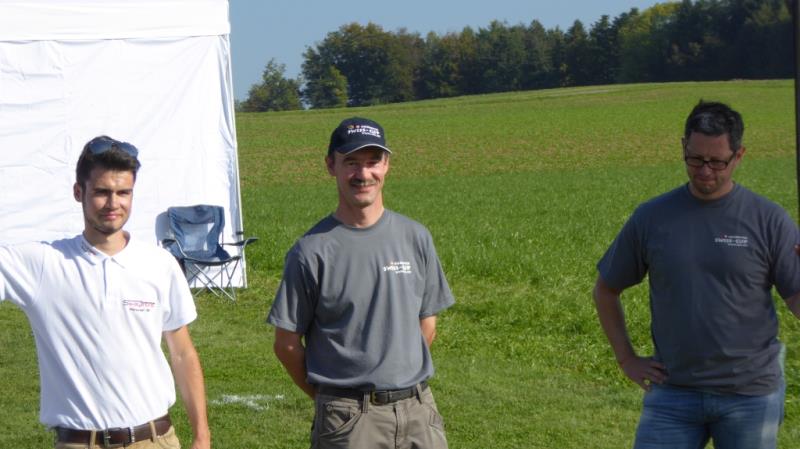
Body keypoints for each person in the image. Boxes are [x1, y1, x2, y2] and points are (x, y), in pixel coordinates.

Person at [593, 101, 800, 449]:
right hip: (673, 393)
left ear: (739, 155)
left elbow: (796, 299)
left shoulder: (769, 220)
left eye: (717, 161)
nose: (705, 170)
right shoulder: (652, 217)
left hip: (750, 395)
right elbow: (605, 290)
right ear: (683, 147)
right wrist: (626, 359)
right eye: (695, 159)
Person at [0, 136, 211, 449]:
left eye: (123, 192)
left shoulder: (159, 263)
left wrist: (202, 436)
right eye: (101, 192)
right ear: (78, 192)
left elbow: (182, 353)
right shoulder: (43, 264)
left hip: (155, 440)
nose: (114, 203)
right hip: (80, 443)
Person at [267, 117, 454, 449]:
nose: (363, 174)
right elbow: (286, 345)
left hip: (418, 411)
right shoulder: (311, 251)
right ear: (331, 166)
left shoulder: (415, 237)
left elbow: (427, 323)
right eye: (351, 162)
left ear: (386, 165)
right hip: (349, 419)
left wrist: (398, 377)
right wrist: (332, 400)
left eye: (372, 162)